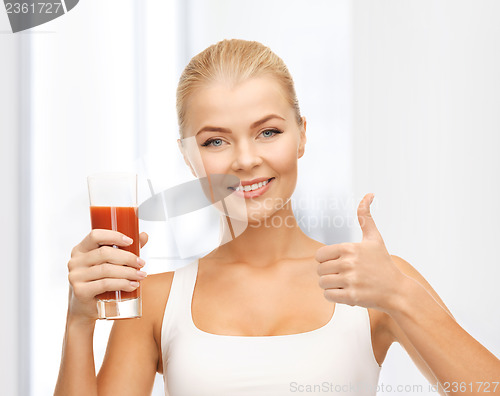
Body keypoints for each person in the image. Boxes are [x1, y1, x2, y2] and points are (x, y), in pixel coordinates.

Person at [54, 39, 500, 396]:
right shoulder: (156, 301)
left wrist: (402, 295)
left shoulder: (376, 282)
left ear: (302, 135)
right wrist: (78, 322)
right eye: (215, 141)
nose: (246, 160)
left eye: (268, 132)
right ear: (188, 158)